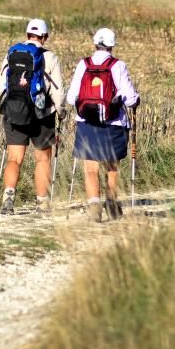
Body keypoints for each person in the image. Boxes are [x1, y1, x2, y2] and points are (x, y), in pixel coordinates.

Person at [66, 27, 139, 222]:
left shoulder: (83, 64)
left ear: (95, 43)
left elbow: (71, 98)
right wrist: (135, 100)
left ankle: (94, 207)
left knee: (90, 168)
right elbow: (130, 100)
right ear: (112, 45)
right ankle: (112, 203)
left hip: (86, 122)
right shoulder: (118, 65)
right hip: (113, 123)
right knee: (112, 166)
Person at [0, 18, 66, 215]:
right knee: (42, 159)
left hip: (14, 111)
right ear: (45, 37)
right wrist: (60, 111)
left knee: (14, 158)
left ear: (27, 34)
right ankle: (42, 204)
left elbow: (1, 84)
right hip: (42, 114)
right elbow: (58, 92)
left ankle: (8, 200)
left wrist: (13, 102)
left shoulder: (12, 52)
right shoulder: (50, 57)